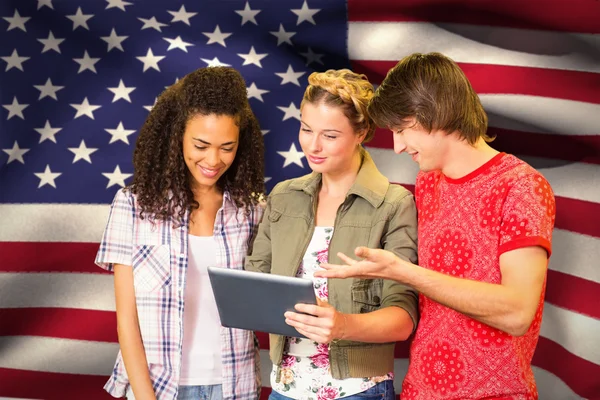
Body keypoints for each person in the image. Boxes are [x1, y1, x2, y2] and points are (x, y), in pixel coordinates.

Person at [316, 53, 557, 399]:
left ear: (434, 114)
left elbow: (517, 312)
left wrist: (405, 272)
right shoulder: (428, 182)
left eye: (401, 130)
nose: (397, 146)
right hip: (420, 391)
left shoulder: (521, 186)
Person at [245, 69, 419, 400]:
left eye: (330, 135)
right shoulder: (283, 196)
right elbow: (256, 283)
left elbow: (403, 317)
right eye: (306, 129)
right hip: (286, 388)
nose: (313, 145)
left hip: (358, 390)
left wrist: (342, 325)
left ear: (362, 132)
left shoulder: (394, 204)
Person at [95, 67, 266, 400]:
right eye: (201, 145)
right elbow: (127, 320)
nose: (213, 160)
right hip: (158, 388)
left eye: (226, 147)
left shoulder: (253, 210)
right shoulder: (133, 206)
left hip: (235, 385)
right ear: (177, 137)